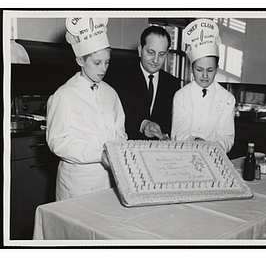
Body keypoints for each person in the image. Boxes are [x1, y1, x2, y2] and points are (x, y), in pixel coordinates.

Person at [46, 18, 127, 200]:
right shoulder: (64, 95)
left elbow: (120, 130)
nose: (103, 69)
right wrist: (98, 154)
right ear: (80, 60)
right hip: (78, 182)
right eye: (97, 63)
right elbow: (58, 142)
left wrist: (116, 150)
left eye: (107, 62)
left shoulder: (111, 93)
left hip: (110, 179)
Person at [104, 25, 181, 140]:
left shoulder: (173, 84)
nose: (155, 60)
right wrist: (143, 124)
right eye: (151, 52)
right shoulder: (118, 78)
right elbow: (113, 118)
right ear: (140, 50)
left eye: (161, 54)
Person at [171, 19, 235, 153]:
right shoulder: (181, 96)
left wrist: (211, 149)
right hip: (183, 154)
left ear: (217, 69)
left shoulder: (227, 99)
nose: (205, 75)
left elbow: (226, 137)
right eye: (199, 70)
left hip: (214, 157)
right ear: (191, 68)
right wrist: (194, 142)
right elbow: (178, 131)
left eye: (210, 70)